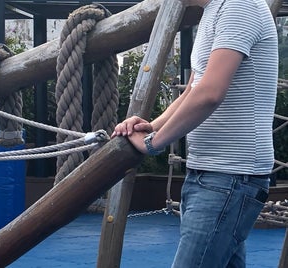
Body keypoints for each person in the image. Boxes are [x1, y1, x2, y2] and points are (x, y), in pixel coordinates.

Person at [112, 0, 277, 267]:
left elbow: (210, 93)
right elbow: (193, 89)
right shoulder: (213, 11)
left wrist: (153, 144)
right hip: (210, 175)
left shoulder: (239, 6)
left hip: (230, 177)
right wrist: (153, 125)